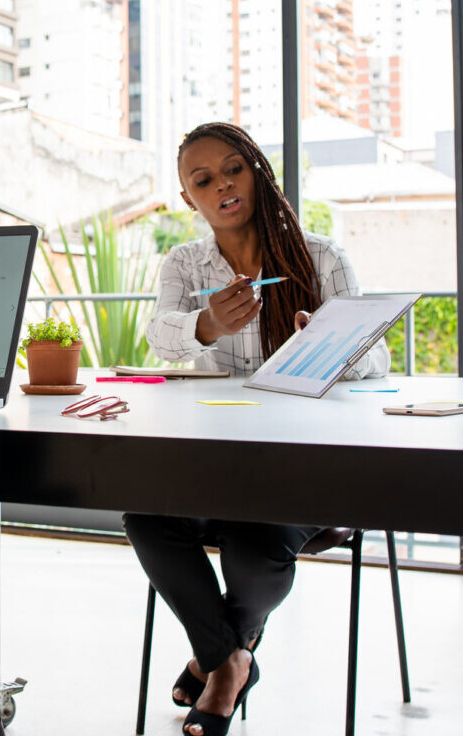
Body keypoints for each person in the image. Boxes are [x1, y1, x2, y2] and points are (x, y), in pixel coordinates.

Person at [129, 122, 388, 736]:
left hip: (307, 462)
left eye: (233, 169)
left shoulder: (321, 257)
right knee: (146, 515)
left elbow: (376, 363)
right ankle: (235, 657)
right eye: (203, 180)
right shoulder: (185, 263)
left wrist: (327, 346)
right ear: (188, 197)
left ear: (257, 171)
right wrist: (207, 325)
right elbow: (158, 337)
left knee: (254, 541)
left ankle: (216, 665)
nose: (222, 185)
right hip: (218, 459)